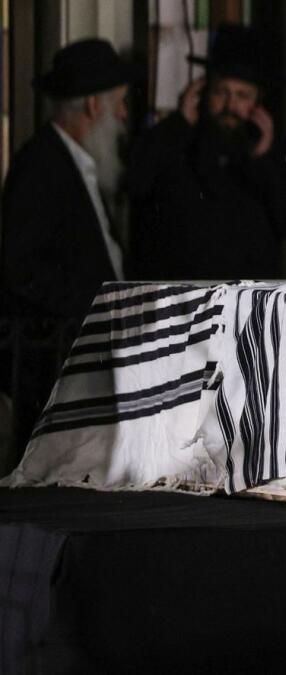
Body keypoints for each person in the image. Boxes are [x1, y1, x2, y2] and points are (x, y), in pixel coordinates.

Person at [1, 38, 136, 457]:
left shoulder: (76, 161)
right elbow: (19, 269)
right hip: (56, 372)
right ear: (93, 106)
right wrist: (95, 305)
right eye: (120, 103)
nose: (124, 114)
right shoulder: (40, 165)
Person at [128, 23, 286, 280]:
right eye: (221, 92)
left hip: (248, 297)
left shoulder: (278, 153)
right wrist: (178, 125)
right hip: (185, 296)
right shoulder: (176, 141)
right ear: (203, 92)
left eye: (242, 95)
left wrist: (264, 160)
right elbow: (136, 182)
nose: (230, 105)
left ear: (258, 101)